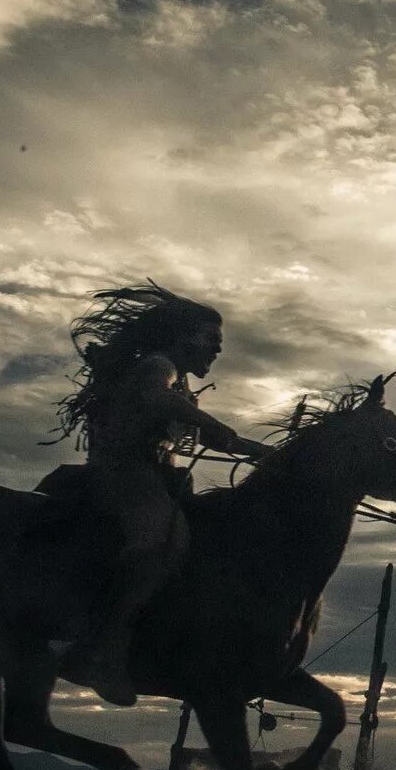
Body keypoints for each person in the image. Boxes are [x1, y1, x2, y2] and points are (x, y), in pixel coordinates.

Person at [45, 282, 271, 706]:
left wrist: (257, 450)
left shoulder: (174, 376)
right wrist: (220, 430)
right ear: (183, 337)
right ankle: (98, 648)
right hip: (126, 474)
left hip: (159, 476)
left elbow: (201, 427)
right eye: (212, 340)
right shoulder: (158, 365)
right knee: (162, 541)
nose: (217, 350)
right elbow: (156, 397)